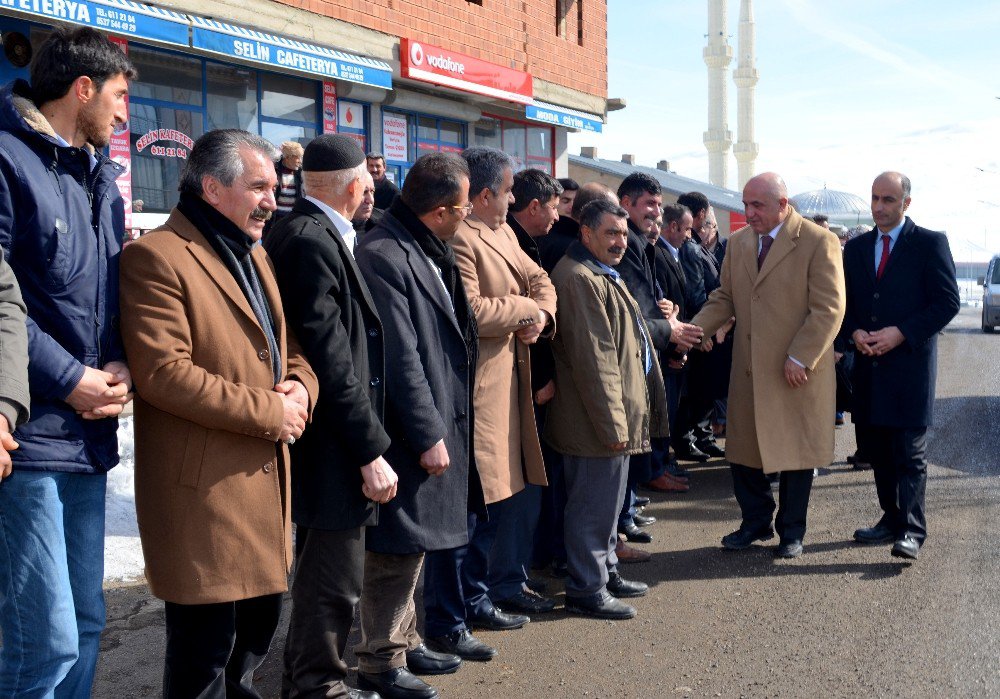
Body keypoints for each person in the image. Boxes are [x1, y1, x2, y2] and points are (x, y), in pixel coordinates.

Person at [119, 129, 319, 698]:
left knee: (253, 643)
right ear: (211, 187)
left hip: (262, 488)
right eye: (258, 186)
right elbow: (164, 374)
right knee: (203, 658)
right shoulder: (155, 257)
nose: (271, 200)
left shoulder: (253, 251)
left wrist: (302, 389)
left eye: (275, 187)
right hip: (205, 495)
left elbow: (290, 346)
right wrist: (270, 412)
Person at [0, 27, 135, 697]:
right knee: (41, 640)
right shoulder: (6, 161)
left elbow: (111, 292)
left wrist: (120, 363)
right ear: (82, 90)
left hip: (88, 435)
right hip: (26, 440)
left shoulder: (100, 180)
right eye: (117, 95)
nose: (123, 112)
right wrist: (69, 377)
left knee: (85, 621)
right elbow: (1, 300)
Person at [263, 133, 399, 699]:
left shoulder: (323, 235)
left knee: (333, 574)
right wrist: (369, 448)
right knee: (330, 579)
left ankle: (310, 679)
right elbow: (330, 357)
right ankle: (318, 686)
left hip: (337, 435)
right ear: (352, 186)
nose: (372, 191)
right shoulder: (308, 240)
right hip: (331, 443)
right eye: (368, 182)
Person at [355, 152, 486, 696]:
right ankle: (379, 663)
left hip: (435, 418)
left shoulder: (426, 245)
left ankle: (406, 644)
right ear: (439, 210)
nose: (469, 217)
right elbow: (401, 356)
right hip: (409, 430)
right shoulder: (384, 253)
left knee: (417, 545)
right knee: (397, 548)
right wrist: (429, 433)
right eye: (464, 208)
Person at [422, 146, 555, 658]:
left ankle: (476, 599)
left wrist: (538, 317)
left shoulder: (501, 231)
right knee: (470, 510)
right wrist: (525, 310)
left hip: (508, 389)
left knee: (494, 505)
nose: (515, 199)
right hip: (476, 395)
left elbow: (541, 279)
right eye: (507, 191)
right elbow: (471, 311)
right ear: (482, 196)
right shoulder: (461, 237)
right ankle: (450, 615)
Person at [690, 172, 845, 559]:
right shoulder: (740, 244)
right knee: (742, 451)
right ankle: (755, 521)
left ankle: (791, 531)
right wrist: (691, 331)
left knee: (795, 454)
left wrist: (802, 355)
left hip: (795, 370)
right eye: (745, 205)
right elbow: (724, 297)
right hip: (749, 369)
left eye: (757, 205)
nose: (749, 213)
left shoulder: (817, 241)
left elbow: (829, 308)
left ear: (782, 204)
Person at [545, 198, 669, 619]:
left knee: (606, 507)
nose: (620, 241)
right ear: (585, 233)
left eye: (622, 233)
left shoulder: (599, 272)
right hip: (594, 423)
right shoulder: (579, 278)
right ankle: (587, 588)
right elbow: (595, 360)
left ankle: (605, 571)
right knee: (591, 508)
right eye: (610, 233)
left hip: (608, 420)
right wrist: (615, 424)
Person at [843, 171, 960, 560]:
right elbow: (845, 304)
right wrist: (854, 331)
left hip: (909, 368)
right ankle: (891, 518)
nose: (879, 207)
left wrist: (902, 333)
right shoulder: (856, 249)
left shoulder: (929, 243)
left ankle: (911, 529)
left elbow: (946, 303)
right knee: (878, 450)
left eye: (888, 199)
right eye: (875, 198)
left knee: (909, 454)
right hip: (870, 369)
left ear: (906, 203)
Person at [614, 174, 702, 548]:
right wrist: (672, 336)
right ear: (626, 204)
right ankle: (620, 521)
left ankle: (626, 512)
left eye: (657, 203)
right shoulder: (630, 243)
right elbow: (632, 306)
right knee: (629, 439)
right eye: (648, 203)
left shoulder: (639, 242)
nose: (655, 211)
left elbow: (650, 299)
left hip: (653, 346)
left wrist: (670, 312)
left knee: (641, 434)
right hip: (635, 354)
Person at [502, 169, 563, 613]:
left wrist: (539, 312)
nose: (559, 217)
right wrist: (542, 379)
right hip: (519, 386)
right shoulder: (504, 237)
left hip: (530, 381)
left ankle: (516, 574)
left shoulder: (520, 242)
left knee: (531, 489)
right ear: (536, 206)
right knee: (519, 492)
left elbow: (544, 286)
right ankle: (507, 578)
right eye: (555, 207)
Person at [537, 182, 616, 274]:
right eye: (613, 213)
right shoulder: (578, 248)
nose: (618, 219)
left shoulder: (544, 234)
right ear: (596, 213)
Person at [272, 140, 304, 225]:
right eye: (297, 157)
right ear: (288, 157)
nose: (300, 161)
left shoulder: (301, 173)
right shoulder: (274, 171)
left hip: (293, 218)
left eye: (301, 157)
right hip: (275, 219)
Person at [352, 169, 383, 236]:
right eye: (364, 192)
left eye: (372, 191)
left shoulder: (384, 223)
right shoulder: (331, 228)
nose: (371, 200)